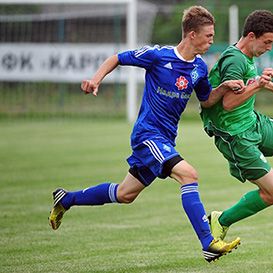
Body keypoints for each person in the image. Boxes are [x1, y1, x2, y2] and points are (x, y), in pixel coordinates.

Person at [49, 6, 243, 262]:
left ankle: (67, 199)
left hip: (165, 139)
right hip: (147, 135)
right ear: (192, 34)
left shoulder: (199, 67)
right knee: (189, 175)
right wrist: (96, 79)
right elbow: (117, 57)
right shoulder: (158, 56)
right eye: (208, 36)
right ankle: (208, 242)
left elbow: (206, 100)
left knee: (125, 194)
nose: (211, 41)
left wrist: (225, 87)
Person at [200, 10, 273, 242]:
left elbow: (242, 90)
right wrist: (258, 85)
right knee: (272, 193)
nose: (269, 47)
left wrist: (258, 82)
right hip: (237, 137)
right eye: (267, 42)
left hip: (252, 123)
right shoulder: (235, 60)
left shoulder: (244, 56)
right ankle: (220, 221)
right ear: (251, 35)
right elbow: (229, 103)